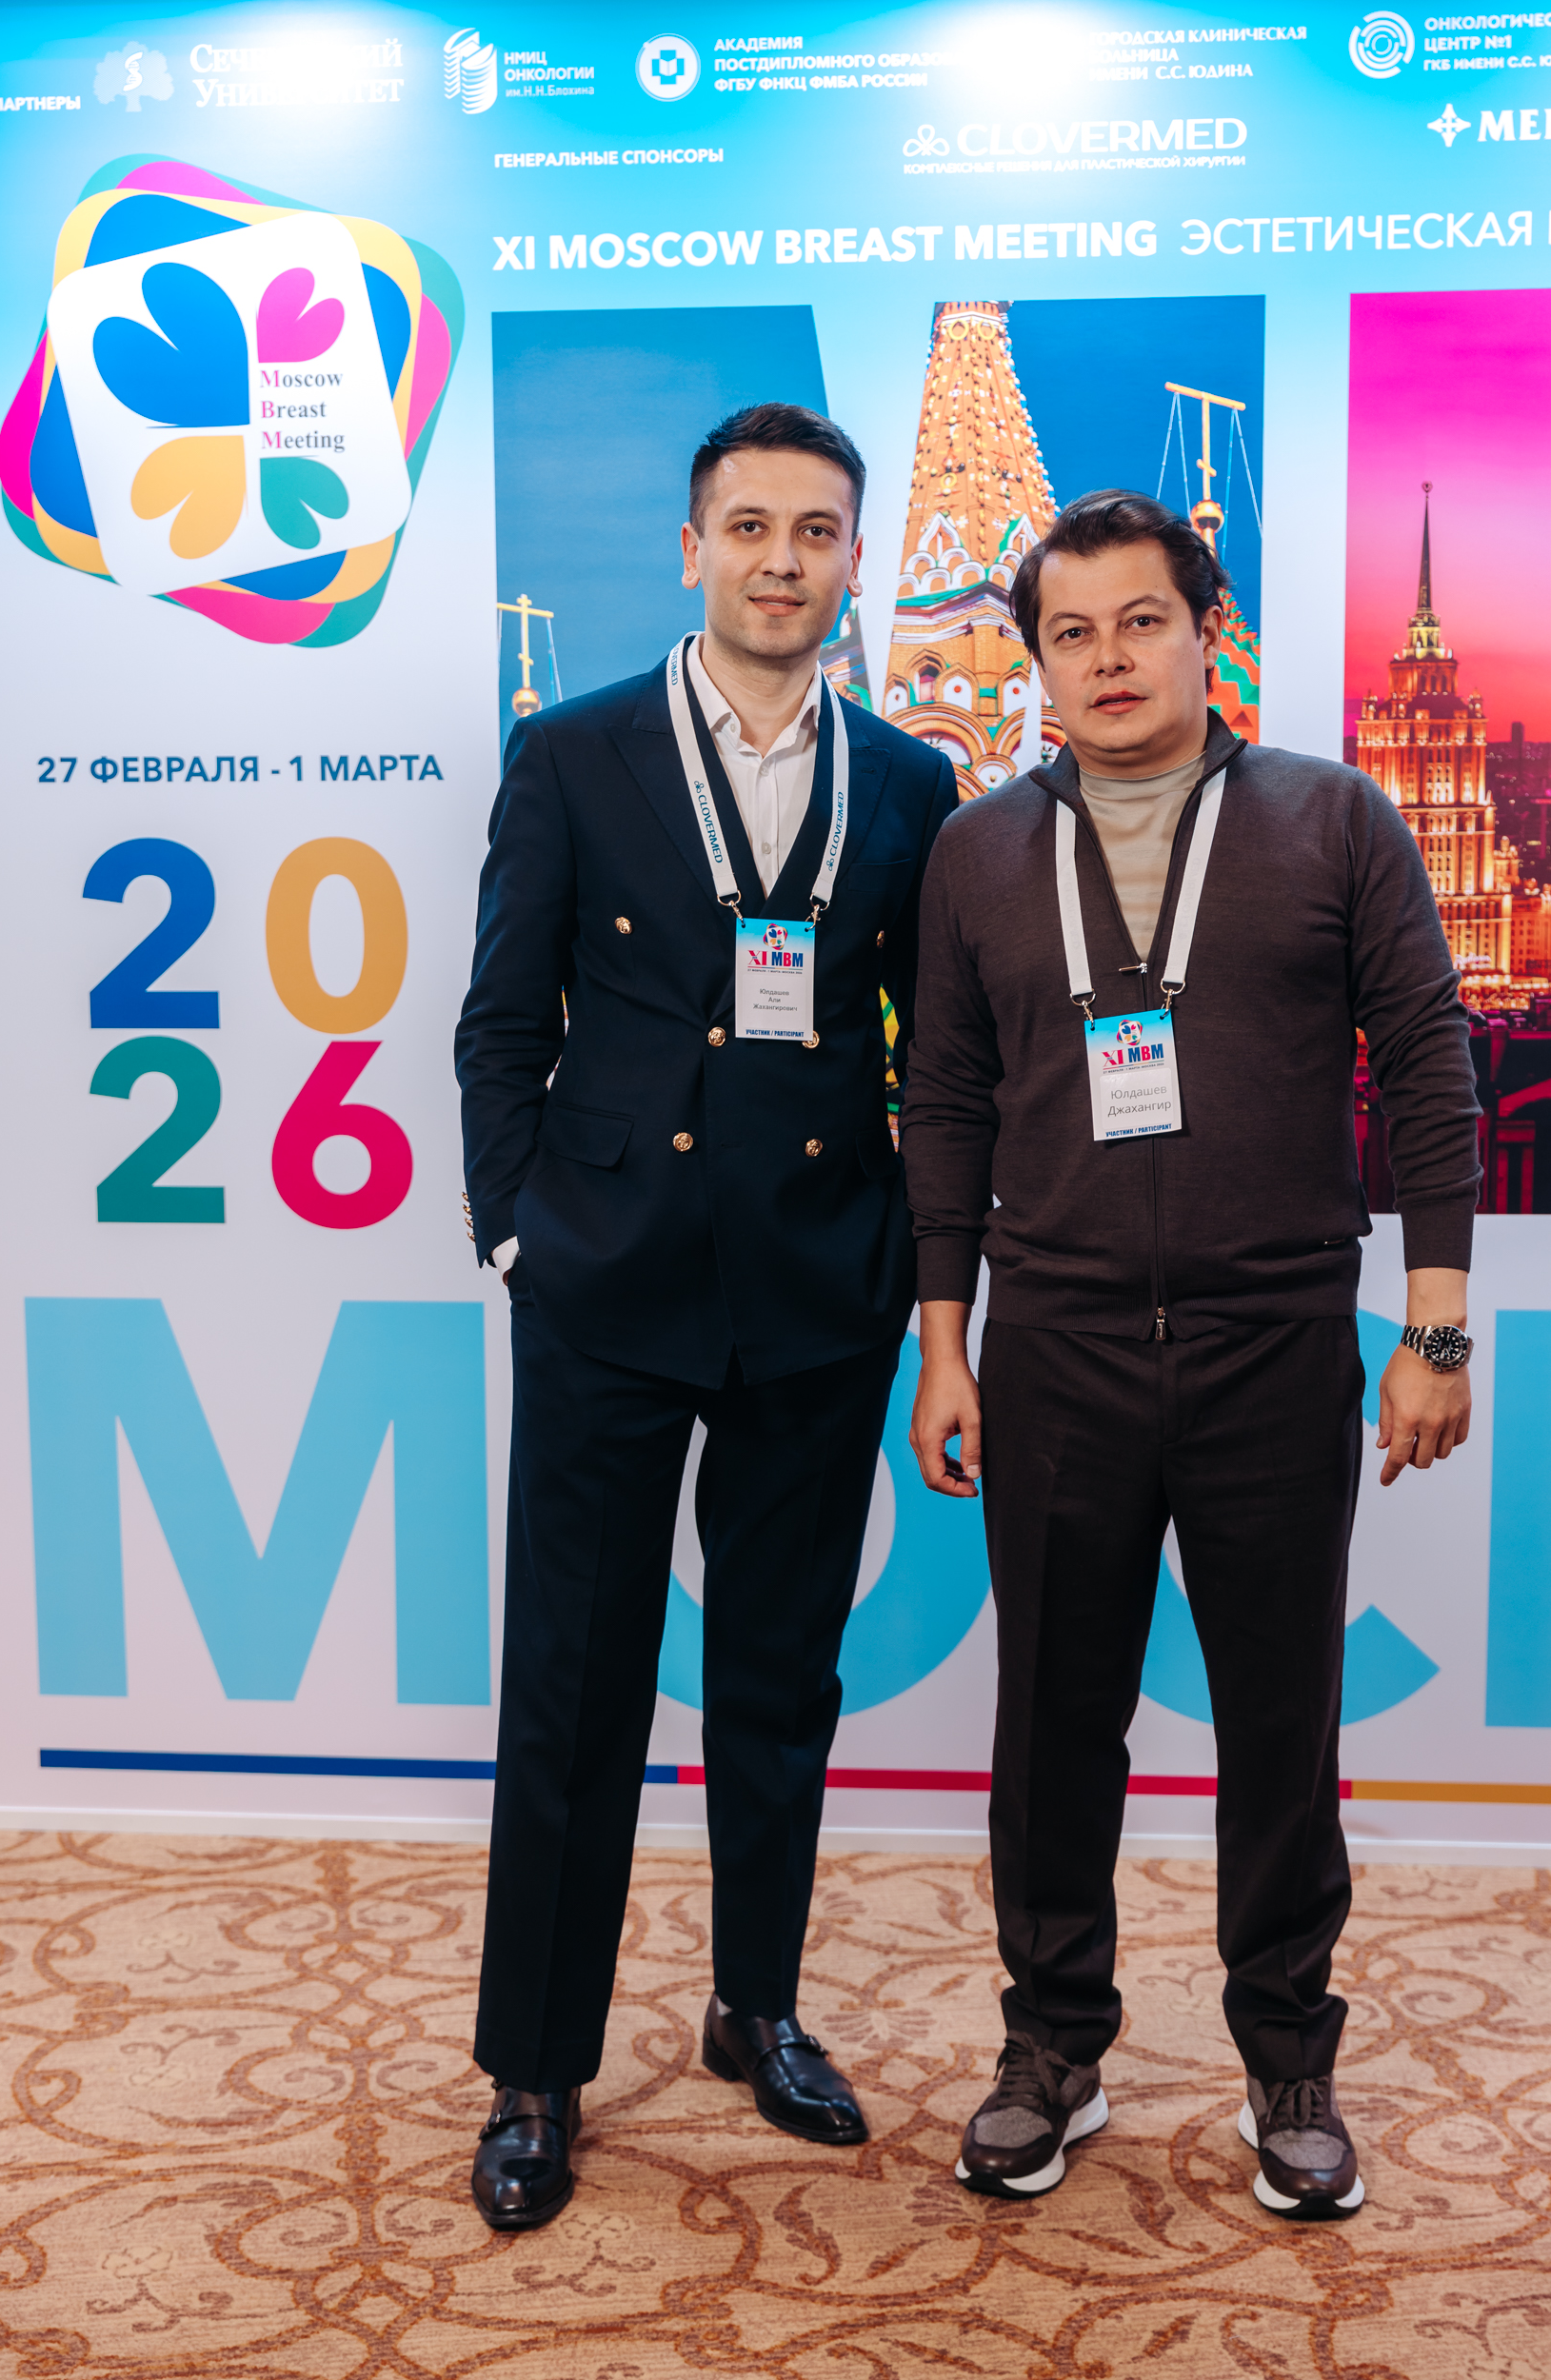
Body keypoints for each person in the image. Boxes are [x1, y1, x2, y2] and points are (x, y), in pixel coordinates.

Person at [900, 488, 1480, 2222]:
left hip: (1273, 1343)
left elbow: (1429, 1065)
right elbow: (946, 1101)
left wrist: (1436, 1326)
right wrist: (946, 1344)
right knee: (1050, 1723)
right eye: (1070, 634)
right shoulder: (978, 854)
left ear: (1206, 635)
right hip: (1056, 1347)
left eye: (1141, 622)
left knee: (1280, 1723)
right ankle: (1052, 2049)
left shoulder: (1331, 818)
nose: (1108, 660)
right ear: (1038, 663)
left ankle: (1289, 2061)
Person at [456, 403, 959, 2230]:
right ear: (692, 550)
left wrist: (916, 1268)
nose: (780, 561)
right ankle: (536, 2068)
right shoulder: (571, 752)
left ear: (852, 562)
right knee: (571, 1687)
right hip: (605, 1281)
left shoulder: (907, 782)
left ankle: (758, 2007)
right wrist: (516, 1237)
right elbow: (501, 1022)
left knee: (778, 1677)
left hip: (818, 1289)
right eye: (749, 527)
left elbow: (934, 1052)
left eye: (815, 532)